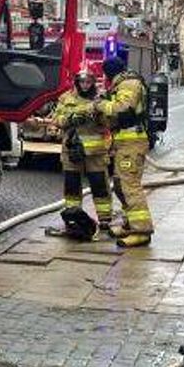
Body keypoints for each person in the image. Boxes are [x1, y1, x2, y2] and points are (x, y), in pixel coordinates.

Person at [93, 56, 153, 248]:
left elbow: (122, 108)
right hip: (123, 143)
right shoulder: (121, 85)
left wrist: (100, 104)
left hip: (132, 143)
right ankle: (129, 224)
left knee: (130, 186)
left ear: (109, 72)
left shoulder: (129, 84)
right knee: (120, 185)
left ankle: (141, 231)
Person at [50, 70, 113, 240]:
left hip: (95, 152)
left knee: (100, 185)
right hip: (71, 149)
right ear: (77, 82)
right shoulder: (66, 98)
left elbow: (110, 121)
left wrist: (98, 116)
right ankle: (73, 217)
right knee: (72, 186)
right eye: (82, 82)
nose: (85, 85)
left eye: (89, 82)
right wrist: (71, 119)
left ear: (93, 82)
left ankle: (105, 219)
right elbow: (56, 119)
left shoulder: (100, 99)